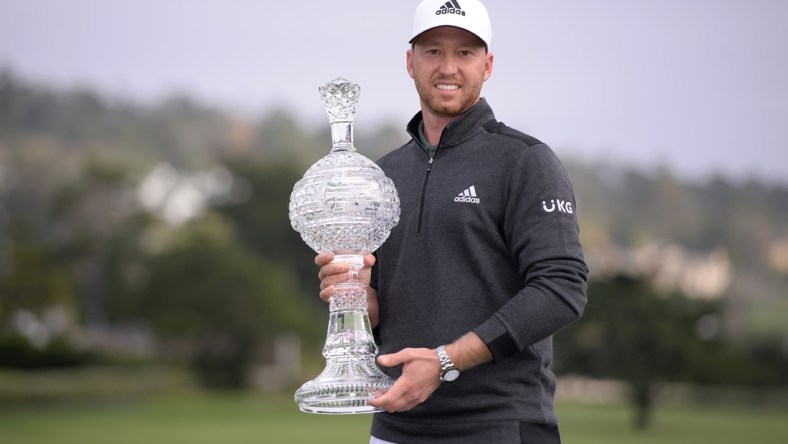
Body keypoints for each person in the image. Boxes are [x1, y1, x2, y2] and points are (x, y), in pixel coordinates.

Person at [315, 0, 588, 442]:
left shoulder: (525, 162)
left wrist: (446, 361)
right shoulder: (383, 175)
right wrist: (357, 298)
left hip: (498, 425)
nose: (448, 67)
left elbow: (562, 288)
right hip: (394, 429)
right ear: (410, 62)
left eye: (465, 53)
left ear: (488, 65)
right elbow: (386, 308)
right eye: (433, 51)